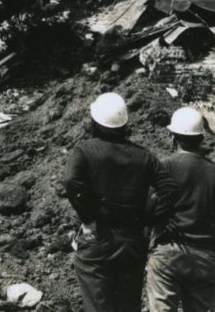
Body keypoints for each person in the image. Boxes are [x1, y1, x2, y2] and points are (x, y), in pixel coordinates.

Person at [64, 92, 159, 312]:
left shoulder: (84, 150)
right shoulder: (144, 155)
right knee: (128, 304)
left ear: (95, 122)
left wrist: (88, 218)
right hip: (133, 240)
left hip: (99, 237)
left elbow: (71, 180)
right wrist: (148, 220)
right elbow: (167, 189)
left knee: (98, 303)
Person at [147, 106, 215, 312]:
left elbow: (151, 208)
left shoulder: (163, 167)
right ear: (201, 139)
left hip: (168, 252)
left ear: (173, 137)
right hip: (204, 256)